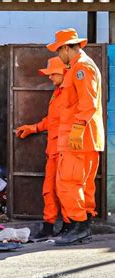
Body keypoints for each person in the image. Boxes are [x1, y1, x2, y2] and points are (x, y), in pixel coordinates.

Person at [47, 28, 104, 245]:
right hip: (84, 138)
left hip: (77, 139)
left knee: (68, 183)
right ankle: (81, 226)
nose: (59, 56)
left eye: (59, 50)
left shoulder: (82, 67)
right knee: (82, 184)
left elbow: (87, 104)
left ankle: (78, 226)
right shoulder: (81, 67)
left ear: (66, 48)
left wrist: (77, 130)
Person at [16, 57, 70, 239]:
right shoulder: (58, 93)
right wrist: (34, 128)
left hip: (66, 149)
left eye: (53, 73)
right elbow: (52, 120)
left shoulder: (70, 93)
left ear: (64, 72)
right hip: (54, 149)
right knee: (49, 188)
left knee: (65, 189)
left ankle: (72, 227)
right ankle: (49, 226)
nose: (50, 77)